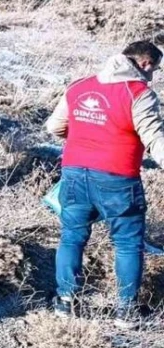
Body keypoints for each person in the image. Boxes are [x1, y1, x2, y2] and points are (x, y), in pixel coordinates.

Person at [45, 41, 164, 329]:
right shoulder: (139, 93)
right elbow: (155, 139)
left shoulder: (79, 85)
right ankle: (126, 312)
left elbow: (54, 127)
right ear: (145, 64)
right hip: (117, 178)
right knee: (127, 243)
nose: (154, 76)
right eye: (156, 70)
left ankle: (65, 301)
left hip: (74, 173)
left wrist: (89, 136)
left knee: (72, 236)